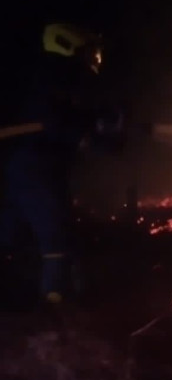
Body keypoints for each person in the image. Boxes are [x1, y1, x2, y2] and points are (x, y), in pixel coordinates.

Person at [2, 23, 124, 304]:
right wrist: (92, 137)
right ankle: (54, 306)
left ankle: (28, 296)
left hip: (33, 167)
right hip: (35, 169)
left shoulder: (59, 77)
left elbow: (67, 117)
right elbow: (54, 121)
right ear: (67, 45)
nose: (95, 58)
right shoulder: (53, 76)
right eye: (90, 51)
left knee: (11, 233)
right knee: (54, 235)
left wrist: (97, 123)